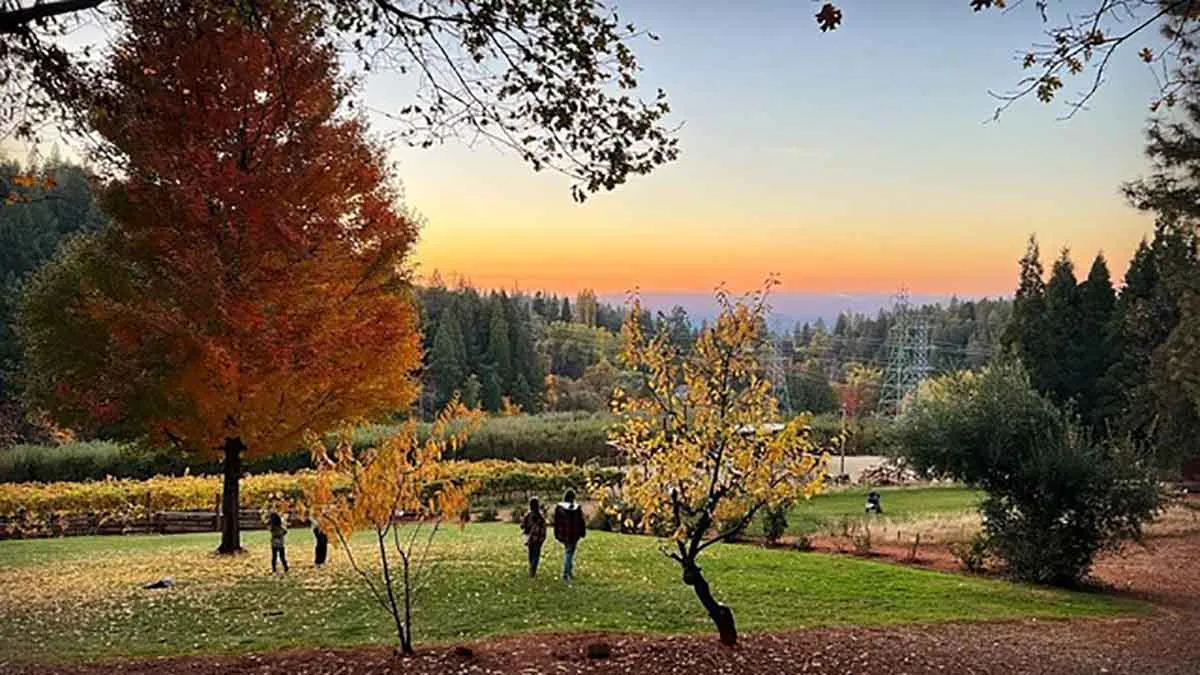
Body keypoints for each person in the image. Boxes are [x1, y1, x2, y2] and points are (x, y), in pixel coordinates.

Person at [552, 489, 586, 582]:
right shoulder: (576, 508)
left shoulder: (559, 508)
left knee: (569, 552)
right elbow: (581, 521)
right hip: (574, 534)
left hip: (563, 534)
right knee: (569, 553)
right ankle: (566, 573)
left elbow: (556, 522)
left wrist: (557, 534)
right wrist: (582, 533)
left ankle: (569, 572)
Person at [520, 497, 547, 577]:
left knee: (531, 553)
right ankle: (533, 568)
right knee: (536, 554)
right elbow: (544, 527)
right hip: (538, 538)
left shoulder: (528, 515)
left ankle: (531, 567)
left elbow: (523, 526)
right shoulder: (540, 515)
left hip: (530, 538)